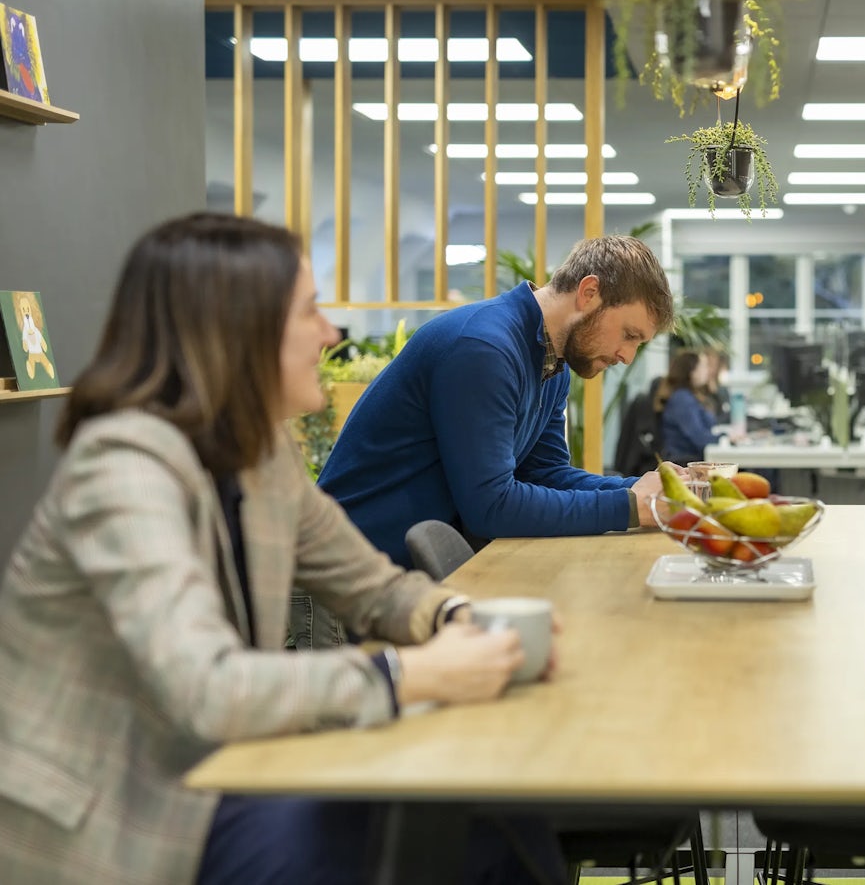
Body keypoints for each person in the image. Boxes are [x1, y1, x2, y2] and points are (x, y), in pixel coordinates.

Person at [0, 213, 565, 885]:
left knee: (497, 812)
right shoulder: (123, 470)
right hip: (120, 816)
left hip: (224, 773)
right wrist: (411, 675)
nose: (330, 334)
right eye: (309, 312)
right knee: (454, 835)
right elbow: (205, 687)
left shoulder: (259, 454)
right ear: (235, 330)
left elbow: (374, 586)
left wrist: (458, 620)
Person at [318, 235, 675, 566]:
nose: (627, 356)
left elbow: (544, 474)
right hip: (345, 580)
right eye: (629, 335)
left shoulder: (552, 365)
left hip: (393, 578)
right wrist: (628, 506)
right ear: (589, 292)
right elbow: (491, 506)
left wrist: (647, 490)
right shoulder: (484, 348)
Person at [656, 349, 720, 465]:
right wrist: (726, 438)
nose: (707, 371)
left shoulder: (689, 396)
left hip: (692, 459)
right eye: (703, 366)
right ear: (691, 372)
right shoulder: (682, 399)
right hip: (685, 463)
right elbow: (700, 438)